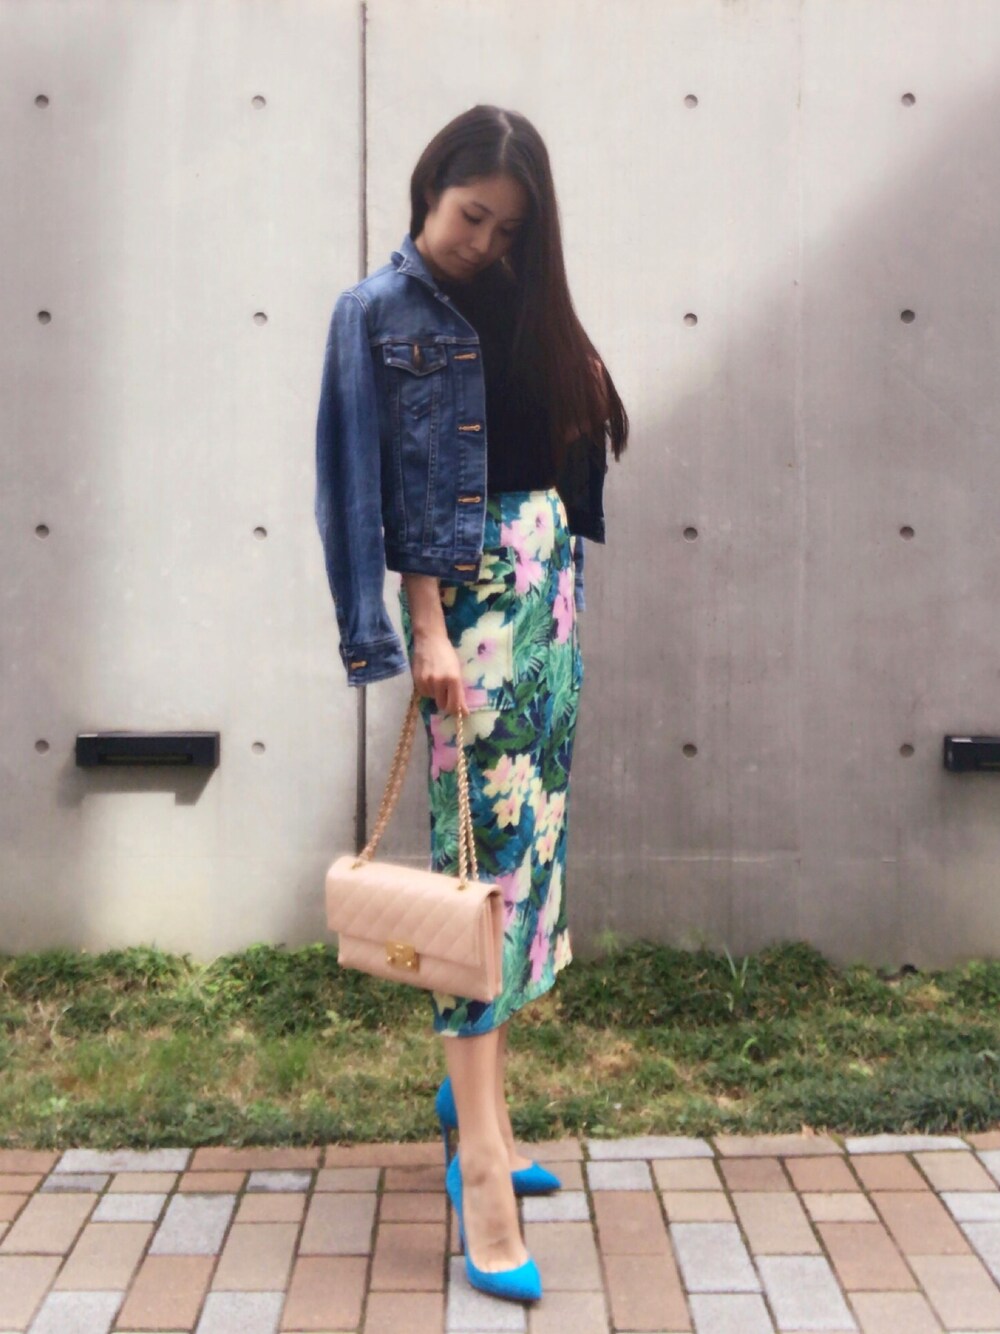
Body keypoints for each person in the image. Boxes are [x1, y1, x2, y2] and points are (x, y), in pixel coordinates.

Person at [314, 104, 628, 1303]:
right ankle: (481, 1165)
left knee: (526, 860)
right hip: (468, 609)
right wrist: (423, 629)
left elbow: (560, 456)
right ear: (427, 190)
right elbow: (365, 488)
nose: (483, 243)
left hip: (546, 594)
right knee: (480, 869)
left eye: (507, 229)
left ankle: (473, 1105)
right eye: (470, 216)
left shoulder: (522, 298)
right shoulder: (375, 313)